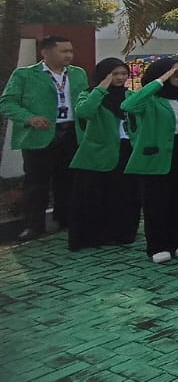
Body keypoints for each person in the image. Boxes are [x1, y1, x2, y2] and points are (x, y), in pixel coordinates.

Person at [1, 35, 87, 241]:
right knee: (36, 182)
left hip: (71, 133)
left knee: (68, 179)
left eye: (70, 51)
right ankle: (33, 225)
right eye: (63, 51)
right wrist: (29, 118)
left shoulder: (77, 74)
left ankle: (65, 219)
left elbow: (85, 99)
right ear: (45, 53)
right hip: (40, 134)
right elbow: (7, 103)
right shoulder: (25, 75)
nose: (69, 55)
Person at [122, 59, 178, 264]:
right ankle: (158, 244)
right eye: (175, 72)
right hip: (156, 155)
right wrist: (160, 80)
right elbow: (129, 105)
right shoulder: (149, 99)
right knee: (156, 201)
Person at [67, 58, 138, 250]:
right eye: (115, 74)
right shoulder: (89, 94)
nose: (120, 78)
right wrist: (101, 88)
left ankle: (122, 233)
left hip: (126, 150)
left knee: (124, 195)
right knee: (95, 196)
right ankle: (94, 236)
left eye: (123, 74)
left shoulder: (130, 95)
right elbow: (85, 112)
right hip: (99, 153)